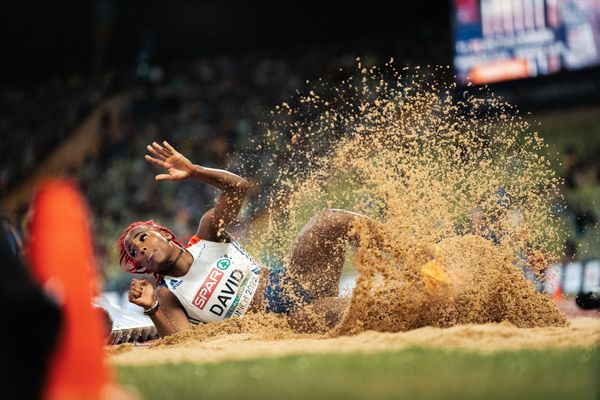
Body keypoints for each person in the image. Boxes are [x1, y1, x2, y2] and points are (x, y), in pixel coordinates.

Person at [118, 141, 385, 337]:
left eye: (142, 238)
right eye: (134, 252)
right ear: (141, 266)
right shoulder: (167, 294)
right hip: (285, 321)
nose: (141, 247)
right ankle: (412, 304)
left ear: (164, 234)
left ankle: (414, 254)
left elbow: (238, 188)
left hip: (293, 281)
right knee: (336, 310)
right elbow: (184, 341)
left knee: (328, 220)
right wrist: (152, 307)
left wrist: (195, 171)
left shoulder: (208, 233)